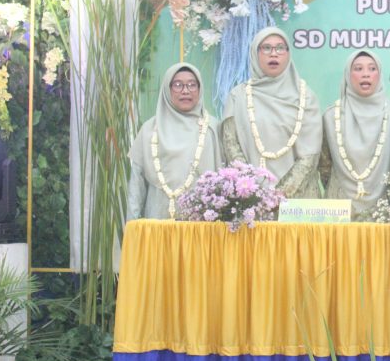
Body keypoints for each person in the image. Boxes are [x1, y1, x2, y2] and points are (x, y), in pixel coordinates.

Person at [222, 27, 323, 198]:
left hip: (299, 202)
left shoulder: (306, 97)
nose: (273, 54)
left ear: (288, 54)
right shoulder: (237, 97)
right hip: (250, 200)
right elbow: (232, 148)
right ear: (255, 53)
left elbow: (310, 154)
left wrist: (279, 195)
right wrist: (254, 192)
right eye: (266, 48)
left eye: (280, 48)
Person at [128, 62, 221, 220]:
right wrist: (131, 225)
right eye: (178, 85)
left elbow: (224, 181)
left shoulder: (213, 128)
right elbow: (136, 185)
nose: (185, 91)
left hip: (202, 226)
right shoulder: (149, 130)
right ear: (167, 89)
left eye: (192, 85)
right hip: (157, 223)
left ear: (200, 89)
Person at [320, 50, 390, 215]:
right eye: (358, 69)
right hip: (338, 214)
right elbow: (324, 167)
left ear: (380, 74)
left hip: (385, 215)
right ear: (348, 75)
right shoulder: (331, 117)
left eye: (372, 69)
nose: (366, 74)